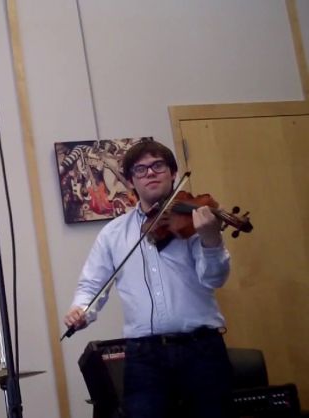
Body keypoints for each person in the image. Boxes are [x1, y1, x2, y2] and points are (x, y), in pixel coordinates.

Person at [63, 140, 233, 418]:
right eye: (140, 170)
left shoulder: (195, 221)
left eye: (158, 165)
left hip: (202, 351)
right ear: (131, 181)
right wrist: (81, 310)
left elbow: (214, 279)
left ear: (173, 173)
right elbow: (92, 284)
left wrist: (211, 239)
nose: (150, 173)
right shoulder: (113, 233)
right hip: (145, 358)